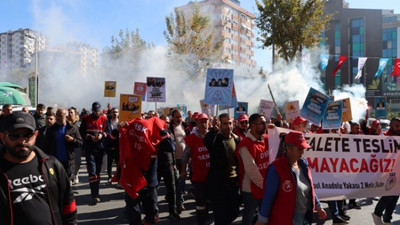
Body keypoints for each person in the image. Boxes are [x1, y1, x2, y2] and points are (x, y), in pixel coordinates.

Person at [0, 112, 77, 224]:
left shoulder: (52, 165)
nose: (22, 141)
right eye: (14, 135)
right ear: (3, 137)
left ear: (35, 135)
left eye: (27, 135)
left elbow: (68, 204)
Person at [256, 131, 327, 225]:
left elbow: (310, 190)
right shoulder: (276, 168)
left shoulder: (304, 165)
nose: (302, 152)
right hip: (284, 220)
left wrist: (318, 207)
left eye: (303, 149)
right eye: (299, 149)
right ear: (288, 148)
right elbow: (268, 197)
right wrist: (261, 220)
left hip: (304, 220)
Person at [204, 113, 241, 225]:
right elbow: (208, 142)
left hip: (233, 183)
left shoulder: (236, 139)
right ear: (220, 124)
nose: (228, 126)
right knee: (220, 216)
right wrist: (214, 131)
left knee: (234, 212)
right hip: (219, 184)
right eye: (225, 124)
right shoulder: (216, 139)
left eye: (230, 123)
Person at [236, 114, 269, 225]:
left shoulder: (266, 139)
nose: (266, 125)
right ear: (253, 126)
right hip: (251, 189)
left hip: (264, 186)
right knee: (249, 218)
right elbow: (251, 170)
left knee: (263, 217)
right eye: (263, 123)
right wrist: (266, 187)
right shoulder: (245, 144)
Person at [182, 113, 211, 225]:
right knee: (200, 200)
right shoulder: (192, 138)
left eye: (205, 121)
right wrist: (183, 170)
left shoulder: (212, 136)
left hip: (211, 175)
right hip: (198, 175)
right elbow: (185, 155)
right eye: (201, 122)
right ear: (197, 123)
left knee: (209, 198)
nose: (204, 124)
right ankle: (201, 219)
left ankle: (206, 216)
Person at [372, 117, 400, 225]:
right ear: (391, 126)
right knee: (388, 195)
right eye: (396, 126)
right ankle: (377, 214)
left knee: (395, 196)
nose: (399, 128)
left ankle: (387, 219)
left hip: (398, 171)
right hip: (387, 172)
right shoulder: (383, 137)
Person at [80, 101, 109, 204]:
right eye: (95, 111)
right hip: (90, 148)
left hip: (100, 148)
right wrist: (89, 136)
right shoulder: (86, 119)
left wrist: (102, 135)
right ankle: (94, 195)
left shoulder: (104, 119)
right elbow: (81, 132)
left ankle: (97, 191)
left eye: (98, 110)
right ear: (92, 110)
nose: (97, 112)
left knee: (98, 172)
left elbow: (108, 131)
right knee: (92, 172)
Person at [45, 108, 83, 183]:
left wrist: (73, 140)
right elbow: (46, 145)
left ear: (66, 116)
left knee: (67, 184)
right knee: (56, 183)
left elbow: (80, 142)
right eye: (57, 115)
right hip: (54, 161)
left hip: (68, 162)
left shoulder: (72, 129)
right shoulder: (51, 130)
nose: (58, 117)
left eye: (61, 115)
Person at [157, 115, 180, 221]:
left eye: (167, 121)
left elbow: (172, 149)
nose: (165, 123)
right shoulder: (154, 132)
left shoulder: (169, 132)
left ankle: (173, 211)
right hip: (156, 165)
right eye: (163, 121)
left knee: (172, 189)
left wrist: (174, 163)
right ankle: (152, 212)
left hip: (168, 163)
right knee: (153, 189)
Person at [168, 109, 190, 213]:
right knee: (177, 181)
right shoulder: (169, 127)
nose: (179, 119)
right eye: (177, 117)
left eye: (180, 116)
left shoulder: (185, 126)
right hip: (174, 159)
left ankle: (176, 199)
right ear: (172, 117)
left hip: (184, 158)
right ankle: (179, 202)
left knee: (182, 180)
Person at [104, 107, 120, 183]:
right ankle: (109, 176)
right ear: (111, 113)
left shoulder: (120, 122)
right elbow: (105, 131)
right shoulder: (107, 122)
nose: (115, 114)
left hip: (118, 146)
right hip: (109, 145)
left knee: (118, 163)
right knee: (109, 162)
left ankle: (118, 177)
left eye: (116, 112)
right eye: (113, 112)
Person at [67, 107, 82, 184]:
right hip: (68, 146)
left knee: (78, 162)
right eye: (69, 112)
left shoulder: (78, 122)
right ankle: (71, 176)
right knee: (70, 162)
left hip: (77, 144)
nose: (70, 114)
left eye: (71, 112)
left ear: (75, 113)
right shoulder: (65, 122)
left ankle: (75, 174)